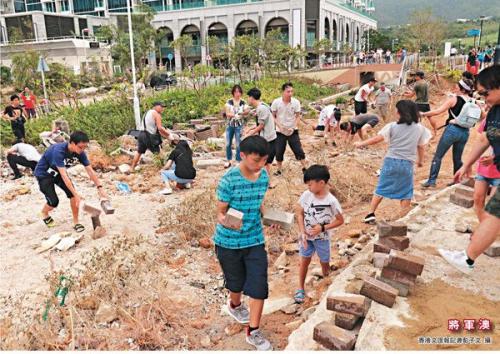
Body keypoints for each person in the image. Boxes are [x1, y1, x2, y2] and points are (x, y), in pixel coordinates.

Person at [213, 135, 274, 350]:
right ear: (243, 155)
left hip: (255, 239)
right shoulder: (228, 180)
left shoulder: (264, 176)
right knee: (235, 283)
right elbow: (220, 213)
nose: (260, 165)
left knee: (258, 286)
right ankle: (235, 305)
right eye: (256, 160)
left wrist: (268, 217)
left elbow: (259, 202)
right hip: (228, 242)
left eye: (264, 160)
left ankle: (254, 331)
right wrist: (229, 222)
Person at [441, 65, 500, 274]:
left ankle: (467, 259)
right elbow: (485, 138)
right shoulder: (494, 111)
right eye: (480, 94)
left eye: (486, 93)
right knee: (493, 214)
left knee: (494, 215)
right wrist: (467, 164)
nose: (483, 98)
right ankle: (468, 257)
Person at [356, 100, 431, 223]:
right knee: (406, 191)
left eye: (397, 109)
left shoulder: (391, 126)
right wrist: (420, 161)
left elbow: (377, 139)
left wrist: (361, 144)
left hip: (390, 161)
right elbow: (421, 146)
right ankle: (403, 218)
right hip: (407, 163)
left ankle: (370, 213)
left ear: (400, 112)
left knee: (381, 187)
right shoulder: (420, 129)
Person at [34, 131, 108, 232]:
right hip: (44, 174)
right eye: (80, 147)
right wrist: (77, 195)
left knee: (72, 195)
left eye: (84, 147)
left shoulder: (80, 153)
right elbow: (64, 175)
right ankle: (44, 213)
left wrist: (100, 188)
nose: (82, 150)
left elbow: (90, 170)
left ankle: (76, 222)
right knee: (53, 202)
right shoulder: (58, 151)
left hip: (58, 174)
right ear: (72, 143)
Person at [294, 165, 344, 304]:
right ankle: (300, 288)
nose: (308, 187)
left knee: (324, 262)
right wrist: (302, 231)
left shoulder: (331, 201)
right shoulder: (306, 195)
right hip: (307, 238)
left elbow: (340, 220)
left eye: (310, 184)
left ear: (321, 183)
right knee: (304, 260)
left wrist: (322, 228)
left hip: (322, 238)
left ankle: (326, 283)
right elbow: (300, 214)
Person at [421, 78, 477, 188]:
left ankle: (431, 181)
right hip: (465, 132)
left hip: (452, 130)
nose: (455, 88)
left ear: (462, 89)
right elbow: (481, 115)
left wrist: (423, 114)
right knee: (457, 158)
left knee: (438, 156)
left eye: (457, 86)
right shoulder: (473, 101)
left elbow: (437, 111)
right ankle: (456, 181)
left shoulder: (453, 99)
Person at [271, 82, 307, 175]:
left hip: (292, 130)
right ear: (283, 92)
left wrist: (294, 126)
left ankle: (305, 168)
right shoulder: (276, 102)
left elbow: (298, 116)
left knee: (298, 149)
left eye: (291, 91)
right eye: (288, 91)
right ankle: (279, 170)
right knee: (279, 151)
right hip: (280, 131)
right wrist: (279, 125)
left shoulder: (296, 102)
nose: (290, 93)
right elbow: (273, 116)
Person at [245, 88, 277, 179]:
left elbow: (261, 125)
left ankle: (267, 181)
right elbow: (261, 123)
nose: (248, 99)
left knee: (264, 162)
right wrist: (250, 129)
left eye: (248, 97)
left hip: (267, 138)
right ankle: (264, 180)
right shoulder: (263, 105)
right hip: (269, 137)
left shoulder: (261, 108)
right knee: (265, 162)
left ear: (251, 98)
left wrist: (250, 133)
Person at [472, 117, 500, 221]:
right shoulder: (489, 119)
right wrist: (469, 164)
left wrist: (495, 158)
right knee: (478, 199)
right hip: (483, 168)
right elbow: (481, 141)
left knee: (494, 206)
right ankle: (482, 226)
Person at [130, 102, 171, 171]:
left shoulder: (147, 112)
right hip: (148, 136)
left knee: (139, 152)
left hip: (141, 134)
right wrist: (169, 135)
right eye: (161, 107)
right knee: (157, 153)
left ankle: (132, 168)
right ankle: (162, 169)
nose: (162, 109)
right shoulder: (156, 114)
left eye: (163, 107)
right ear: (155, 106)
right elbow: (160, 128)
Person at [224, 85, 249, 168]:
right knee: (228, 143)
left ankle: (238, 160)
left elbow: (247, 111)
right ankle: (228, 160)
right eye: (235, 92)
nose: (237, 93)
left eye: (238, 91)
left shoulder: (243, 102)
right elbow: (227, 113)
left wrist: (241, 114)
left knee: (238, 144)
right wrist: (235, 114)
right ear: (233, 93)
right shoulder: (229, 102)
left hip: (239, 125)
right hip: (230, 125)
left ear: (241, 93)